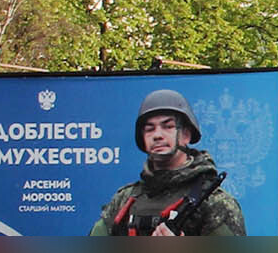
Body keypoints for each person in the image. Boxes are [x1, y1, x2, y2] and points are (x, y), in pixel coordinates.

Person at [94, 89, 246, 237]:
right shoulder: (124, 200)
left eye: (168, 126)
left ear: (186, 135)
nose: (157, 135)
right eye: (149, 129)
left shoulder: (214, 202)